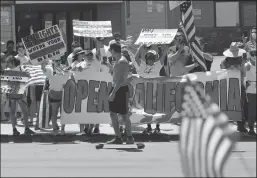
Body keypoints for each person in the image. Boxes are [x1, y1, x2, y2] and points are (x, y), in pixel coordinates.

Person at [133, 44, 169, 134]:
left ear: (155, 58)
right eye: (149, 56)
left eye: (152, 57)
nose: (150, 58)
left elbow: (164, 54)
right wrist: (141, 46)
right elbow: (136, 57)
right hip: (146, 92)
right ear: (146, 57)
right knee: (147, 111)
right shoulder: (142, 66)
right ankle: (149, 127)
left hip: (156, 92)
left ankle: (157, 127)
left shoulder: (157, 65)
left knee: (157, 110)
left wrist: (165, 46)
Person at [106, 42, 134, 144]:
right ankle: (119, 137)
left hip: (119, 90)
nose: (110, 52)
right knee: (114, 114)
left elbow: (120, 80)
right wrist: (109, 66)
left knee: (124, 115)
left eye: (110, 50)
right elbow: (116, 73)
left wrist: (113, 93)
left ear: (113, 50)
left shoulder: (121, 61)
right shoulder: (119, 60)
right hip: (118, 88)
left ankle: (128, 137)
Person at [220, 42, 248, 133]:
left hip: (240, 86)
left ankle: (241, 125)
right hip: (229, 86)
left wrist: (239, 68)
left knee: (241, 107)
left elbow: (244, 73)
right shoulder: (225, 61)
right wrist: (230, 69)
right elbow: (221, 73)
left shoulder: (242, 60)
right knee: (228, 106)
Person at [5, 55, 34, 135]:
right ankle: (14, 129)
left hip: (20, 92)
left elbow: (28, 77)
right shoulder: (7, 70)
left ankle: (26, 128)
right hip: (12, 92)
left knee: (25, 111)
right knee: (13, 112)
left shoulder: (21, 68)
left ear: (13, 62)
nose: (7, 64)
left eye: (8, 62)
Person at [244, 49, 256, 136]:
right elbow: (242, 76)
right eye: (253, 55)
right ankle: (251, 128)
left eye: (256, 55)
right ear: (250, 56)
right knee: (252, 109)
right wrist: (246, 83)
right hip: (251, 89)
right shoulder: (247, 65)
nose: (255, 57)